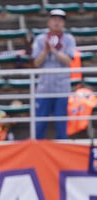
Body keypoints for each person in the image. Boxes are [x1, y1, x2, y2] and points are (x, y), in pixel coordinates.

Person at [32, 9, 76, 140]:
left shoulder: (68, 39)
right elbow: (36, 62)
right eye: (54, 19)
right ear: (48, 22)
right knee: (40, 123)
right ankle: (37, 148)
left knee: (61, 124)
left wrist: (54, 50)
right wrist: (46, 51)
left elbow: (68, 60)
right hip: (44, 89)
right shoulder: (40, 39)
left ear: (64, 23)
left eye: (60, 20)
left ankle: (62, 148)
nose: (57, 22)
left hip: (62, 89)